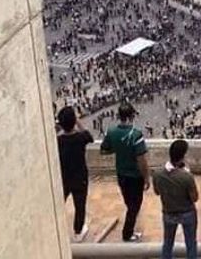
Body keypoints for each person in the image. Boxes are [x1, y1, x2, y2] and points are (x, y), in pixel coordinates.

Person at [101, 102, 151, 242]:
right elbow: (141, 160)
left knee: (129, 202)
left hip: (121, 173)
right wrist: (147, 177)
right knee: (135, 205)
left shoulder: (111, 132)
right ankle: (127, 234)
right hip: (135, 175)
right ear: (132, 116)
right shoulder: (135, 135)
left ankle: (130, 224)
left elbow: (104, 150)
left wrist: (118, 149)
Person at [152, 139, 199, 259]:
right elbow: (194, 198)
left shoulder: (157, 174)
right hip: (187, 212)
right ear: (183, 156)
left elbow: (157, 192)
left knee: (168, 243)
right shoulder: (187, 176)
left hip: (168, 212)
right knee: (191, 243)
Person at [56, 106, 94, 242]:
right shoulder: (80, 137)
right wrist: (78, 122)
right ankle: (78, 231)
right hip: (80, 177)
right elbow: (90, 137)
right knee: (80, 205)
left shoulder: (58, 141)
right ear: (74, 121)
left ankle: (56, 226)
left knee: (59, 202)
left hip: (64, 177)